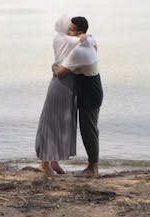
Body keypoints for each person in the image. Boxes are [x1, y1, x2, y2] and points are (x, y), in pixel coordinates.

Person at [35, 14, 95, 177]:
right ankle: (44, 164)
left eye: (72, 28)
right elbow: (87, 41)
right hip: (61, 83)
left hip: (67, 83)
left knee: (62, 122)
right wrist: (85, 35)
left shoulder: (61, 38)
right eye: (69, 27)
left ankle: (53, 162)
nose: (70, 29)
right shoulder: (64, 39)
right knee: (53, 122)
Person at [53, 15, 103, 178]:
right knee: (91, 129)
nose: (68, 31)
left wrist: (53, 67)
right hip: (93, 88)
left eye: (71, 29)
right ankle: (92, 165)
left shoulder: (79, 51)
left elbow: (60, 73)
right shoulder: (91, 39)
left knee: (89, 130)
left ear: (79, 32)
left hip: (88, 93)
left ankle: (92, 168)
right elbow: (91, 42)